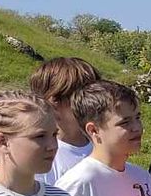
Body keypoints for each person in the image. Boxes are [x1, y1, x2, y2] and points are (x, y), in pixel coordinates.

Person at [29, 57, 102, 186]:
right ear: (53, 101)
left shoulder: (103, 147)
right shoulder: (41, 156)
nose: (93, 103)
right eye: (82, 96)